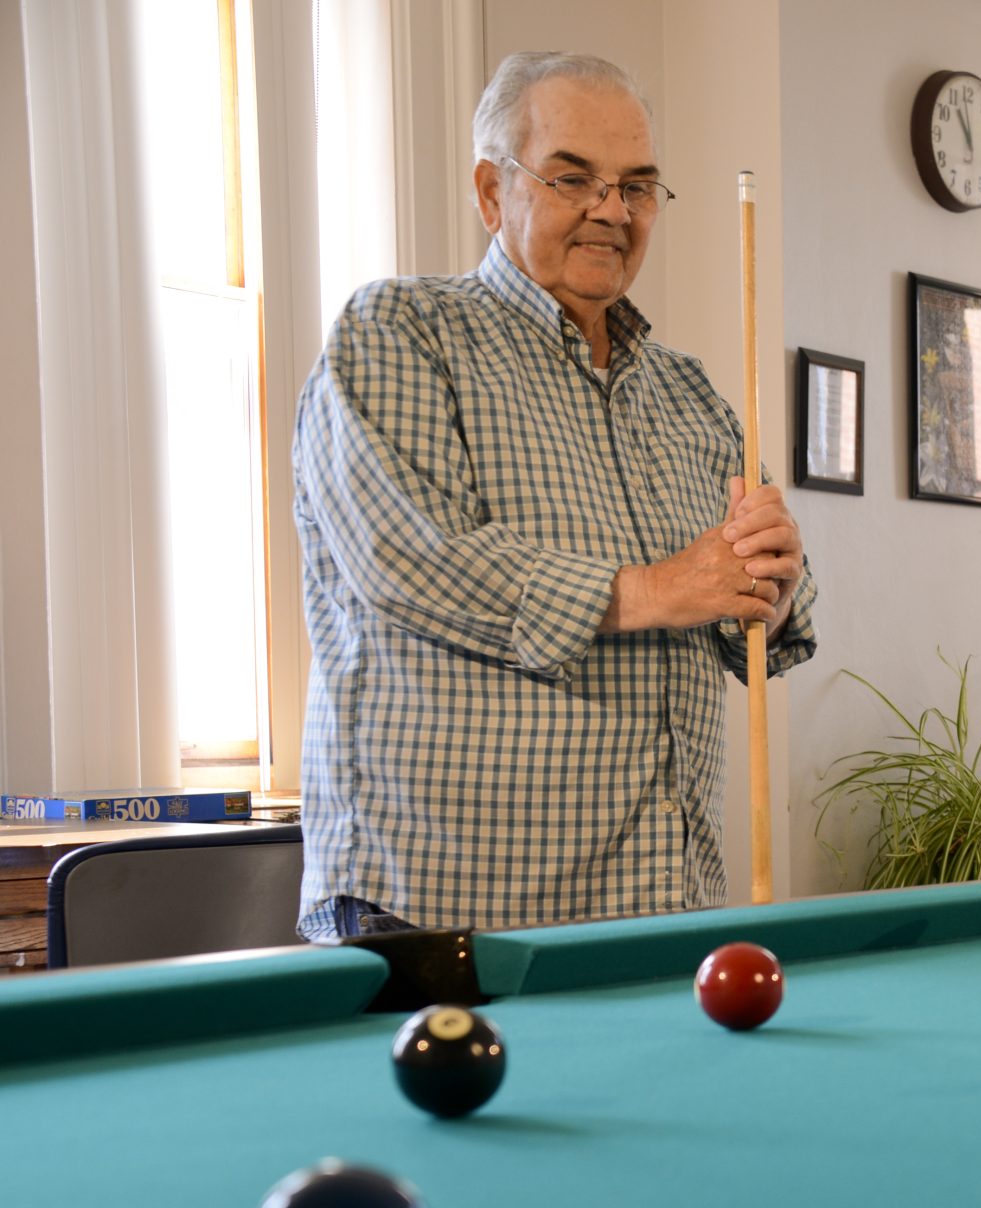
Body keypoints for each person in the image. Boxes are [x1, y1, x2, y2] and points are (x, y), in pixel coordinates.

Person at [291, 51, 816, 939]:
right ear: (493, 193)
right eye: (575, 178)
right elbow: (414, 563)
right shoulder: (396, 334)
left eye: (638, 187)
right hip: (439, 913)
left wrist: (775, 575)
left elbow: (753, 624)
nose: (612, 209)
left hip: (661, 907)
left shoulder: (689, 395)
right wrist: (662, 588)